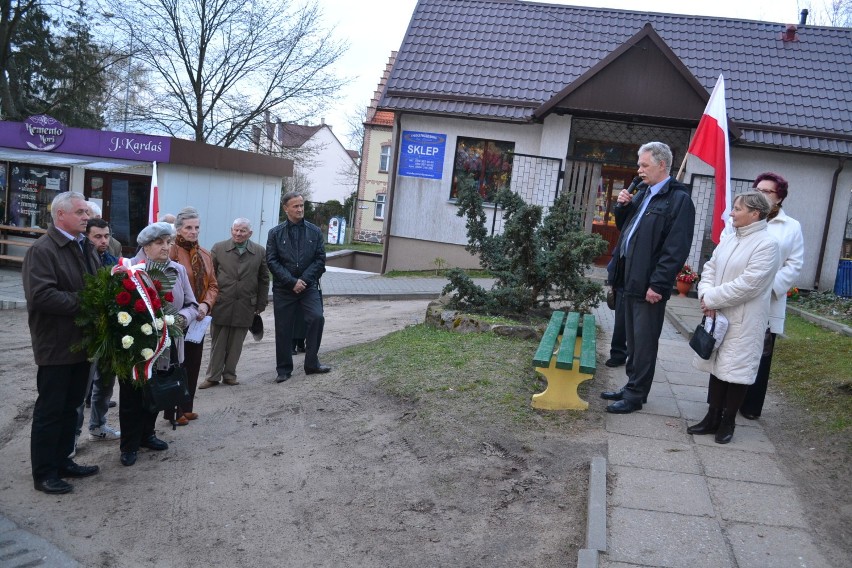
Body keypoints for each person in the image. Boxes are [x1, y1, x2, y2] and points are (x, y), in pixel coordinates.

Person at [600, 142, 695, 413]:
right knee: (631, 338)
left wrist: (658, 283)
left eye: (644, 165)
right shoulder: (642, 193)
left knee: (644, 341)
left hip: (648, 283)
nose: (639, 170)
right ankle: (631, 385)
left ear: (662, 165)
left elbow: (675, 248)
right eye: (639, 164)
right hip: (628, 277)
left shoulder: (678, 200)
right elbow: (626, 229)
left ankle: (636, 395)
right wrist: (622, 207)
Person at [22, 191, 100, 494]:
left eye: (85, 212)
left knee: (71, 408)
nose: (86, 217)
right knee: (50, 411)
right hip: (55, 344)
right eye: (80, 212)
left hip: (82, 343)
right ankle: (44, 473)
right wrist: (86, 302)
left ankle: (63, 460)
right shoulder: (42, 250)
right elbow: (41, 296)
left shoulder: (84, 246)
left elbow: (95, 284)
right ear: (60, 216)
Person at [687, 192, 780, 443]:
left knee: (736, 371)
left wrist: (711, 299)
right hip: (718, 314)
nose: (731, 213)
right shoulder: (729, 238)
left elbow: (750, 284)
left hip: (744, 319)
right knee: (716, 367)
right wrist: (705, 294)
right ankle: (712, 417)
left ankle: (728, 423)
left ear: (755, 214)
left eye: (737, 209)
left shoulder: (767, 244)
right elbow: (710, 267)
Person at [720, 173, 804, 420]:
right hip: (736, 294)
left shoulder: (791, 227)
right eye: (757, 189)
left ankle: (750, 407)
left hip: (768, 301)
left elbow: (794, 264)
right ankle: (720, 404)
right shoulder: (738, 220)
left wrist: (767, 287)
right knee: (728, 350)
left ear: (779, 198)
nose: (761, 193)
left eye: (767, 191)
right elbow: (725, 252)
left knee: (761, 354)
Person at [120, 222, 198, 466]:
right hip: (134, 345)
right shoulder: (129, 269)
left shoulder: (178, 271)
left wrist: (180, 319)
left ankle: (148, 435)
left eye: (168, 242)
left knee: (158, 389)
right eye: (159, 243)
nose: (166, 247)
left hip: (166, 343)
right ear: (145, 245)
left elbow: (192, 304)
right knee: (132, 396)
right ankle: (129, 445)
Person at [267, 192, 330, 382]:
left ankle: (312, 363)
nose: (300, 209)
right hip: (284, 288)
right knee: (284, 328)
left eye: (302, 205)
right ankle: (284, 369)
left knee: (317, 318)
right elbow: (272, 261)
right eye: (295, 206)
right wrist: (291, 282)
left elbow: (320, 259)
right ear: (286, 208)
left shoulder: (314, 231)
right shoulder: (275, 233)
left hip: (308, 286)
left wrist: (303, 280)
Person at [200, 218, 269, 388]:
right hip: (222, 302)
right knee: (218, 342)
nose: (238, 234)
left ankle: (230, 375)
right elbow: (209, 275)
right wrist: (207, 301)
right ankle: (212, 376)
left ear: (250, 233)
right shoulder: (218, 248)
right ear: (231, 230)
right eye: (236, 230)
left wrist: (261, 304)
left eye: (243, 231)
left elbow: (264, 279)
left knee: (237, 342)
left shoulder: (259, 251)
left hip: (246, 304)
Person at [168, 207, 218, 425]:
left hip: (198, 318)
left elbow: (214, 285)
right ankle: (172, 410)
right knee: (175, 363)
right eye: (188, 227)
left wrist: (206, 305)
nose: (193, 231)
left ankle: (187, 407)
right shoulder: (171, 251)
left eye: (196, 227)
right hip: (178, 316)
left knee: (193, 362)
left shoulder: (205, 255)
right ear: (179, 229)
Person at [76, 219, 120, 445]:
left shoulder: (113, 260)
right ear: (87, 237)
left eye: (106, 236)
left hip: (109, 332)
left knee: (105, 383)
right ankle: (72, 437)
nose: (103, 241)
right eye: (97, 237)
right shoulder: (80, 260)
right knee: (81, 388)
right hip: (87, 334)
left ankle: (98, 425)